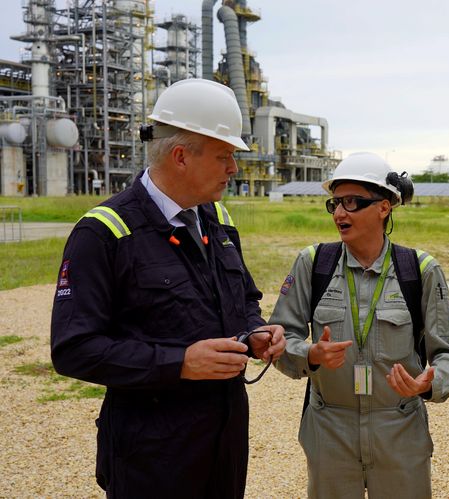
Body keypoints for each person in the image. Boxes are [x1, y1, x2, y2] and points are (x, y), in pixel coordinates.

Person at [50, 78, 286, 498]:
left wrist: (255, 333)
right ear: (180, 156)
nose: (234, 169)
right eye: (224, 156)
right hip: (152, 458)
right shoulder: (105, 234)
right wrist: (179, 362)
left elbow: (244, 299)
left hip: (223, 446)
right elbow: (74, 348)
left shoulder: (217, 220)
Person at [269, 152, 449, 498]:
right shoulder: (313, 263)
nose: (339, 213)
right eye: (335, 203)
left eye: (353, 202)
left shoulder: (420, 271)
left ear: (384, 207)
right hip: (329, 429)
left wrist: (427, 384)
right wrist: (310, 353)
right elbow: (279, 338)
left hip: (399, 429)